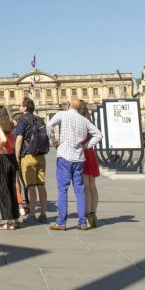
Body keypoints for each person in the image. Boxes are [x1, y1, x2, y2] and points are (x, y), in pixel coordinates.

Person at [46, 99, 101, 231]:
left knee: (63, 190)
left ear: (69, 105)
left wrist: (54, 141)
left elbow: (49, 126)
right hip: (79, 158)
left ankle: (61, 222)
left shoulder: (62, 114)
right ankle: (82, 222)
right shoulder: (84, 120)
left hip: (64, 156)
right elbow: (98, 135)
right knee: (80, 191)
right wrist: (86, 145)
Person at [14, 97, 49, 223]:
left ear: (25, 107)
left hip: (28, 156)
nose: (18, 106)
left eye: (20, 105)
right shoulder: (40, 119)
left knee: (31, 186)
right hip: (41, 155)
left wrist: (17, 156)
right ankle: (43, 214)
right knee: (41, 185)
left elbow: (19, 139)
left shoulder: (22, 120)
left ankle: (32, 215)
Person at [0, 106, 20, 230]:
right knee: (12, 188)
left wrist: (1, 146)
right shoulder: (11, 125)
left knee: (3, 190)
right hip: (11, 158)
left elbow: (2, 139)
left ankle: (8, 221)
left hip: (2, 158)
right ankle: (15, 219)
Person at [77, 101, 100, 229]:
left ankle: (88, 216)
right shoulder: (89, 121)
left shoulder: (79, 122)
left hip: (83, 153)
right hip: (91, 153)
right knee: (92, 186)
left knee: (86, 187)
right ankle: (93, 215)